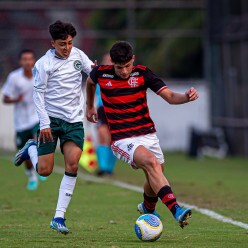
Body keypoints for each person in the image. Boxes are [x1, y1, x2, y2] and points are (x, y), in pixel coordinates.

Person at [86, 41, 199, 228]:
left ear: (133, 59)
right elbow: (90, 82)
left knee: (154, 176)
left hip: (148, 134)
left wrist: (186, 97)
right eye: (119, 67)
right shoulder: (101, 73)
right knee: (151, 163)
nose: (123, 71)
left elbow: (170, 97)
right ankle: (176, 209)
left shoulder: (143, 73)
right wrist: (90, 106)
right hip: (122, 139)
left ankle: (147, 208)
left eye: (127, 66)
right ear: (112, 63)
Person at [13, 20, 95, 235]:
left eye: (69, 43)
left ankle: (58, 217)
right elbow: (37, 95)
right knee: (45, 171)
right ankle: (32, 147)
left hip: (74, 121)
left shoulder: (78, 55)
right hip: (52, 121)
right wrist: (45, 123)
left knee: (73, 165)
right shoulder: (43, 64)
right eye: (62, 44)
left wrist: (99, 72)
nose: (67, 48)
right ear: (52, 44)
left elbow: (93, 75)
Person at [2, 49, 46, 190]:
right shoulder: (14, 77)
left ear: (34, 61)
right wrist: (16, 99)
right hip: (21, 122)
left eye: (30, 59)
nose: (27, 62)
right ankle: (31, 176)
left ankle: (41, 167)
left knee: (37, 140)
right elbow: (5, 98)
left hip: (36, 118)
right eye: (24, 59)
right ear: (20, 61)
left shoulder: (39, 74)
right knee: (25, 154)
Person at [95, 54, 116, 176]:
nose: (110, 62)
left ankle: (109, 168)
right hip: (102, 109)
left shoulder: (120, 76)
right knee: (102, 136)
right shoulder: (99, 75)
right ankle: (102, 167)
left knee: (113, 140)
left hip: (115, 110)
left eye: (112, 60)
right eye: (107, 60)